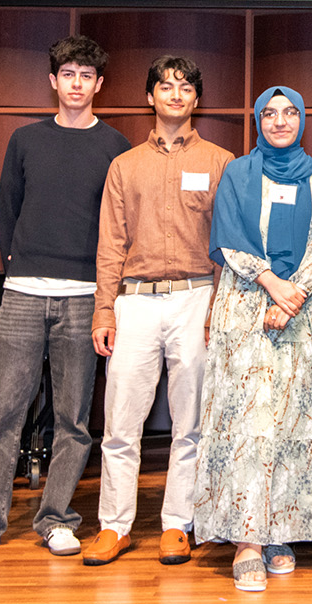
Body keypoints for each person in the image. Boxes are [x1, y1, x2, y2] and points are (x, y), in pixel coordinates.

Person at [0, 36, 129, 557]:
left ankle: (57, 518)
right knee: (4, 411)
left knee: (74, 418)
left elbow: (118, 226)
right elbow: (6, 213)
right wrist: (18, 269)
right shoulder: (24, 139)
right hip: (24, 293)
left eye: (86, 76)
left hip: (85, 297)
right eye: (67, 75)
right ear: (53, 82)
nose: (76, 84)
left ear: (99, 85)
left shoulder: (116, 146)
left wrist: (105, 294)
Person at [194, 86, 312, 592]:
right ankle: (246, 539)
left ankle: (280, 528)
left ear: (301, 120)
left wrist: (294, 295)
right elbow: (227, 237)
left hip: (306, 314)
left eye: (289, 114)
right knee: (249, 420)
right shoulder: (239, 173)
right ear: (258, 120)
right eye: (270, 113)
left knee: (294, 420)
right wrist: (271, 284)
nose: (280, 121)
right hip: (245, 305)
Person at [84, 55, 233, 567]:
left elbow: (230, 246)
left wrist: (218, 309)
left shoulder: (221, 162)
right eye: (165, 86)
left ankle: (177, 524)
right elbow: (110, 244)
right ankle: (114, 526)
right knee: (121, 422)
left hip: (197, 298)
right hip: (136, 302)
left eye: (185, 86)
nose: (175, 94)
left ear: (197, 98)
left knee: (190, 423)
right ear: (150, 96)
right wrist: (105, 311)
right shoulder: (124, 165)